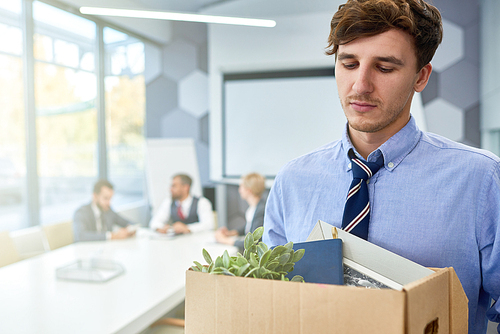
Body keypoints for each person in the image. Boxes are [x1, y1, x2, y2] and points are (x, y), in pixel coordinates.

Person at [262, 1, 500, 333]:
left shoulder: (482, 180)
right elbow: (270, 297)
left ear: (421, 76)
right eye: (348, 63)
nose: (360, 85)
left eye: (384, 67)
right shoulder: (293, 181)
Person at [215, 173, 266, 250]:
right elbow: (250, 227)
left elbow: (253, 243)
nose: (239, 190)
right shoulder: (254, 207)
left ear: (248, 190)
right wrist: (231, 233)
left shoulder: (261, 210)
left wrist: (225, 240)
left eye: (241, 187)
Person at [149, 174, 214, 234]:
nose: (170, 189)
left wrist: (187, 228)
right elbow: (154, 222)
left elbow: (209, 225)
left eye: (174, 186)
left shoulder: (202, 202)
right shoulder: (169, 202)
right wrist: (162, 227)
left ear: (186, 187)